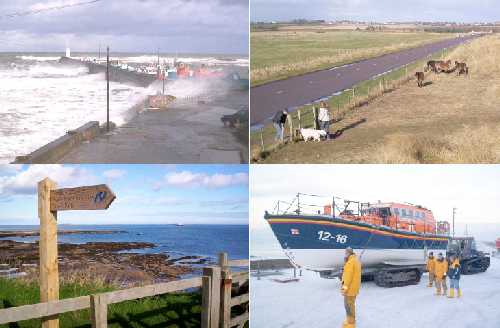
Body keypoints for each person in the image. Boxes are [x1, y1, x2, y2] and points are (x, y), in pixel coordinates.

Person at [341, 247, 361, 328]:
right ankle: (351, 321)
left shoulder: (350, 262)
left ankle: (351, 324)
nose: (345, 254)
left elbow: (347, 278)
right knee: (351, 305)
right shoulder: (356, 261)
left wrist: (344, 289)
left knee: (348, 306)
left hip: (349, 290)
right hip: (354, 288)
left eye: (346, 253)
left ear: (349, 253)